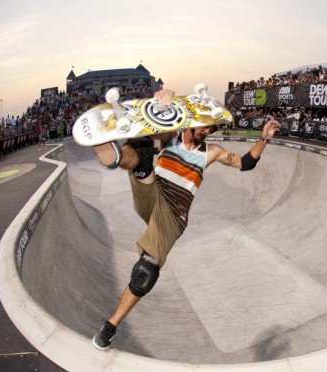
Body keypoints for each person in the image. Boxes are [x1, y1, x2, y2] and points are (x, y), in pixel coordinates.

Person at [91, 87, 280, 350]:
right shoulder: (170, 137)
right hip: (152, 194)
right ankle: (108, 150)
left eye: (212, 129)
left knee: (145, 272)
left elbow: (245, 163)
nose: (209, 132)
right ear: (192, 122)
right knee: (144, 148)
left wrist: (264, 139)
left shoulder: (211, 152)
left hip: (172, 216)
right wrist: (162, 96)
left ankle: (110, 326)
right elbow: (153, 118)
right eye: (206, 127)